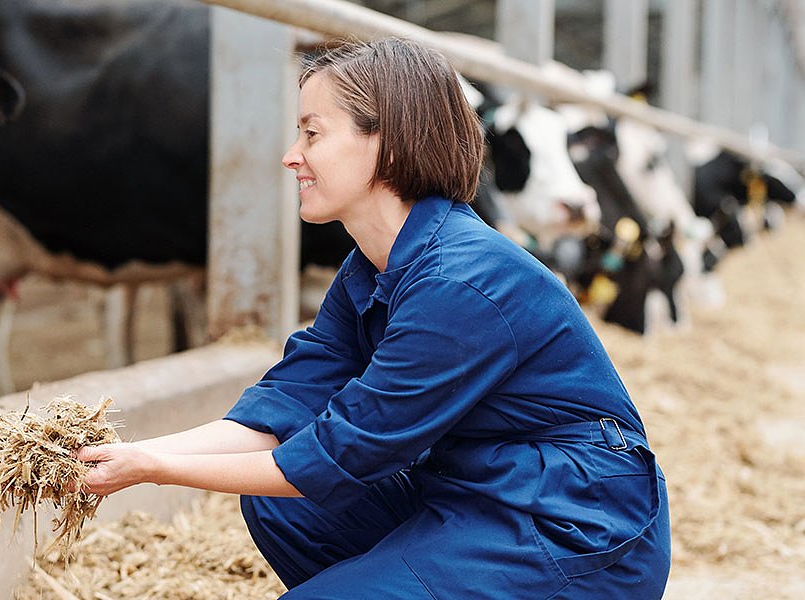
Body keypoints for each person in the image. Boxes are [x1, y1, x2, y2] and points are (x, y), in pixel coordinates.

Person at [74, 38, 670, 598]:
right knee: (283, 503)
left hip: (574, 521)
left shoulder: (461, 284)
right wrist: (131, 451)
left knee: (303, 502)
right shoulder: (371, 264)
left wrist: (153, 469)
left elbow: (342, 454)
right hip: (477, 488)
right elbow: (287, 403)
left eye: (312, 134)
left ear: (386, 142)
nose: (291, 157)